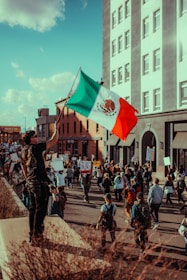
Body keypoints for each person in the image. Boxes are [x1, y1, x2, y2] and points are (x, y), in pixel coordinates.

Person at [21, 122, 59, 244]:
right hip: (39, 184)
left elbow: (24, 167)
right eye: (35, 136)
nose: (37, 137)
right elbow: (53, 140)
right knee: (40, 211)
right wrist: (56, 129)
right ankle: (37, 237)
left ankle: (32, 235)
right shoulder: (36, 148)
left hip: (31, 183)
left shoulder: (24, 150)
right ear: (31, 139)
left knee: (33, 209)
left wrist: (28, 180)